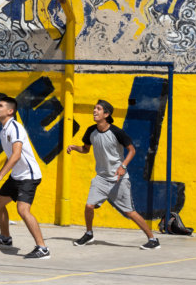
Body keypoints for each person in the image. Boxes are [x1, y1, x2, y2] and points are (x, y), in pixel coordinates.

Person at [66, 100, 160, 250]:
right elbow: (85, 149)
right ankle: (89, 233)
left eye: (98, 109)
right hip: (101, 178)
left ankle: (153, 239)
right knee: (89, 206)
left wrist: (123, 166)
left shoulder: (117, 132)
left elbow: (132, 150)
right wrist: (75, 147)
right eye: (94, 108)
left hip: (118, 179)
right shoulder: (91, 131)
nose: (94, 111)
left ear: (106, 114)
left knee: (130, 212)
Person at [0, 96, 51, 259]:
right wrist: (1, 174)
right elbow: (11, 156)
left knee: (22, 209)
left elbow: (17, 154)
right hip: (16, 176)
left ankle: (42, 248)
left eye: (0, 106)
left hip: (29, 175)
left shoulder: (15, 127)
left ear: (10, 111)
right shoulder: (4, 130)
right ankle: (5, 238)